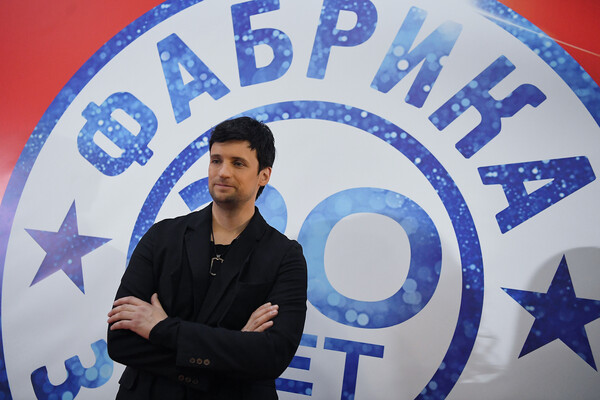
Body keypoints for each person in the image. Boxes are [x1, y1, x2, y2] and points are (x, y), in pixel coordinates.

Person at [107, 116, 308, 399]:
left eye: (238, 163)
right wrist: (235, 347)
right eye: (216, 160)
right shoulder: (161, 237)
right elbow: (121, 341)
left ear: (264, 175)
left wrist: (162, 329)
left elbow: (271, 356)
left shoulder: (285, 256)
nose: (223, 172)